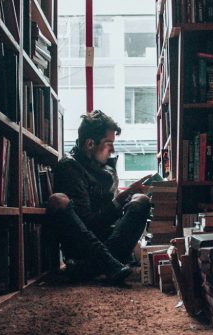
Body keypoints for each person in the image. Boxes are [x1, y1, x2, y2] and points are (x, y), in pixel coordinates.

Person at [46, 109, 152, 285]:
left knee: (141, 202)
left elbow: (112, 221)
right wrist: (120, 199)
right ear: (90, 144)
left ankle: (89, 269)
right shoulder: (70, 168)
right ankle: (106, 265)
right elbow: (87, 226)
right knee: (57, 199)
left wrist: (129, 198)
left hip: (109, 241)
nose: (112, 150)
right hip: (84, 246)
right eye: (108, 143)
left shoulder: (107, 171)